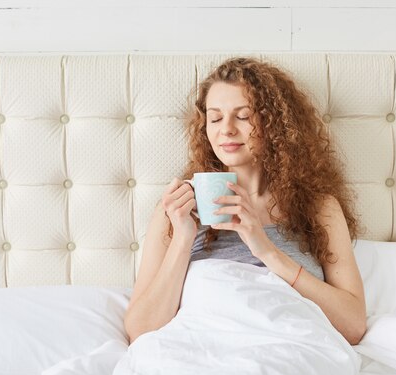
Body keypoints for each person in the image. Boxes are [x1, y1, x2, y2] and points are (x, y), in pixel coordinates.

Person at [124, 57, 366, 346]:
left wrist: (266, 250)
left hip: (290, 351)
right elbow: (141, 330)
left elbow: (353, 326)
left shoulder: (318, 208)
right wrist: (183, 239)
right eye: (215, 118)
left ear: (275, 123)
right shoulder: (177, 212)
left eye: (243, 116)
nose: (226, 129)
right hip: (204, 350)